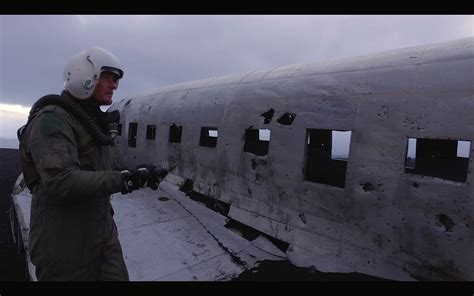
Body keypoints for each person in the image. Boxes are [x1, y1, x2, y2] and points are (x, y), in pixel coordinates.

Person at [17, 47, 166, 281]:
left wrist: (139, 174)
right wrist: (124, 179)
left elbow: (97, 170)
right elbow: (60, 181)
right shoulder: (51, 119)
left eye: (116, 80)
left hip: (102, 235)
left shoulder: (92, 122)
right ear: (85, 75)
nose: (115, 85)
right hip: (63, 244)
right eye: (109, 77)